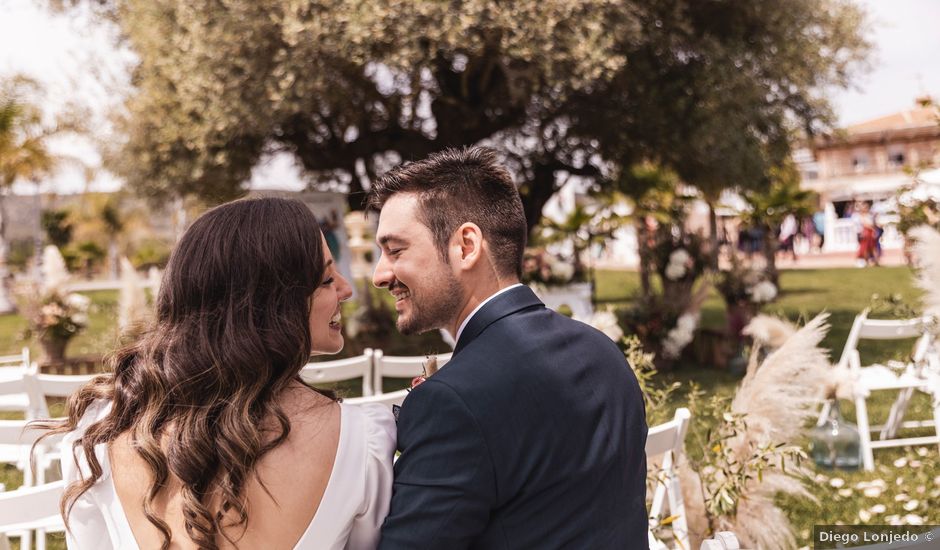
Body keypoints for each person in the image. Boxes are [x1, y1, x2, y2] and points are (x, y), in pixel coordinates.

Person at [34, 198, 395, 549]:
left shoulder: (101, 432)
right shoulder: (362, 440)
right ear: (267, 304)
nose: (346, 289)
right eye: (326, 280)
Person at [368, 147, 648, 549]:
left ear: (465, 246)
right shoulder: (603, 352)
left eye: (396, 250)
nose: (380, 275)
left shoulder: (452, 402)